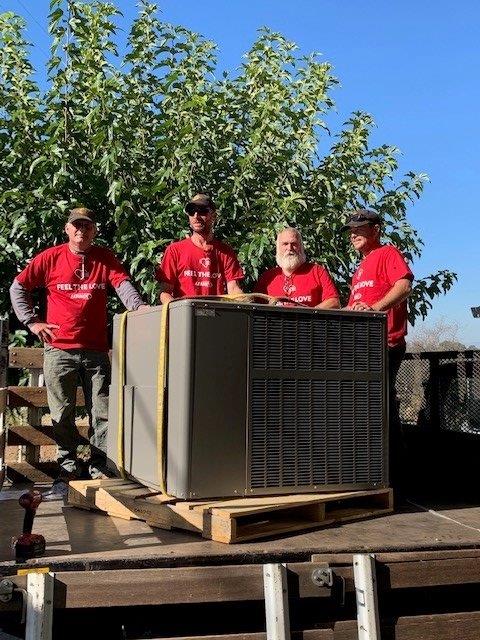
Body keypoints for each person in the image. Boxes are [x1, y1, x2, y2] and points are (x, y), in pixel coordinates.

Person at [9, 207, 146, 491]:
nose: (81, 231)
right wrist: (32, 323)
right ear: (67, 229)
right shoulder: (50, 258)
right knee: (61, 412)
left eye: (87, 226)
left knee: (103, 411)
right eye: (76, 226)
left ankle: (99, 466)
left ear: (94, 230)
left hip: (96, 349)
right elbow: (18, 287)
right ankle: (67, 467)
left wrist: (139, 307)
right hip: (59, 349)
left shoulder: (104, 258)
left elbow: (122, 285)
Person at [343, 208, 413, 497]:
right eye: (351, 230)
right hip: (361, 349)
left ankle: (398, 483)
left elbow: (404, 285)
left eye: (360, 228)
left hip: (384, 344)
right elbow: (353, 306)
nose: (354, 234)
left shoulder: (387, 253)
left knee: (381, 410)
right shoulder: (360, 268)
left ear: (376, 230)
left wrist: (374, 310)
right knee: (365, 412)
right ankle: (369, 478)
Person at [155, 194, 244, 303]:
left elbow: (234, 289)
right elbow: (165, 292)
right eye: (191, 211)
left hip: (216, 316)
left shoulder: (226, 252)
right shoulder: (175, 250)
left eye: (202, 211)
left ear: (214, 216)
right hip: (185, 316)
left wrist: (246, 303)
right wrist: (178, 312)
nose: (196, 216)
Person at [254, 228, 340, 308]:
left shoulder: (317, 272)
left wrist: (310, 314)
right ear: (278, 248)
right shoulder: (267, 277)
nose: (289, 248)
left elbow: (334, 302)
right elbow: (255, 307)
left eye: (294, 244)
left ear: (301, 247)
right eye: (285, 244)